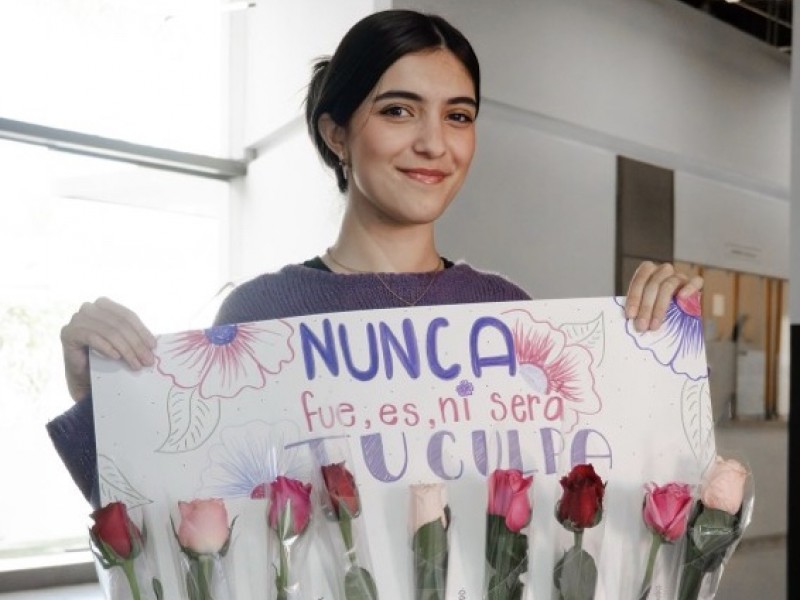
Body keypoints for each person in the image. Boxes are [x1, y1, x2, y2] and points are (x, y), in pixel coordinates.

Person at [48, 9, 703, 507]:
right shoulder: (261, 314)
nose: (434, 144)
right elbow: (184, 518)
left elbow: (577, 499)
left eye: (459, 116)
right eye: (398, 111)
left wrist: (659, 349)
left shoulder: (508, 312)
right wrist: (101, 392)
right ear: (336, 134)